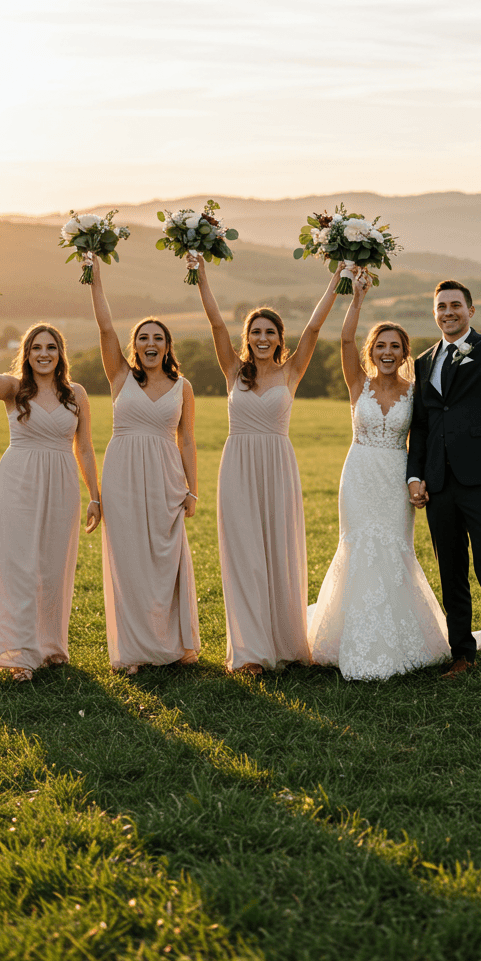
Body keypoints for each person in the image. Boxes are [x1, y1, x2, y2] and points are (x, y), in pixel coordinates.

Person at [308, 272, 474, 678]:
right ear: (371, 352)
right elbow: (344, 340)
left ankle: (400, 640)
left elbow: (423, 439)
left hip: (396, 478)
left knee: (394, 550)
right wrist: (357, 299)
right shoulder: (357, 384)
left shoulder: (415, 391)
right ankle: (351, 638)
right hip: (359, 474)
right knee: (357, 547)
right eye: (380, 346)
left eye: (394, 347)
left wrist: (420, 480)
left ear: (404, 354)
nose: (387, 352)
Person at [193, 253, 343, 676]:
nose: (262, 338)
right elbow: (216, 324)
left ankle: (286, 644)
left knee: (280, 552)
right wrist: (201, 276)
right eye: (256, 332)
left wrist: (337, 278)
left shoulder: (291, 371)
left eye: (270, 332)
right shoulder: (232, 371)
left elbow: (314, 327)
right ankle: (251, 652)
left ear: (280, 338)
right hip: (237, 468)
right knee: (244, 557)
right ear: (248, 338)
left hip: (278, 468)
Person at [0, 313, 101, 683]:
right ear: (27, 353)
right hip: (18, 480)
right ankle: (18, 654)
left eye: (51, 347)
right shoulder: (14, 387)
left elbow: (83, 448)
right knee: (19, 565)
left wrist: (95, 496)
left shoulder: (76, 393)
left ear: (60, 353)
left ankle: (49, 646)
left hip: (62, 483)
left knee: (53, 566)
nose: (44, 353)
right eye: (37, 347)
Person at [406, 246, 481, 682]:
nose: (448, 312)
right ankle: (462, 655)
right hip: (439, 481)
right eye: (441, 307)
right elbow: (420, 425)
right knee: (451, 569)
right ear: (434, 313)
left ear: (471, 310)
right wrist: (415, 475)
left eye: (456, 305)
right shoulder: (422, 363)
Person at [88, 259, 200, 674]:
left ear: (167, 347)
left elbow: (186, 439)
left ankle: (170, 646)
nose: (149, 343)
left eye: (158, 338)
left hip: (167, 481)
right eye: (142, 337)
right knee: (128, 562)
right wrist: (95, 277)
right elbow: (104, 328)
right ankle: (132, 650)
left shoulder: (182, 388)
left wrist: (191, 489)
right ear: (134, 346)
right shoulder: (119, 377)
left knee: (164, 562)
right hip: (122, 479)